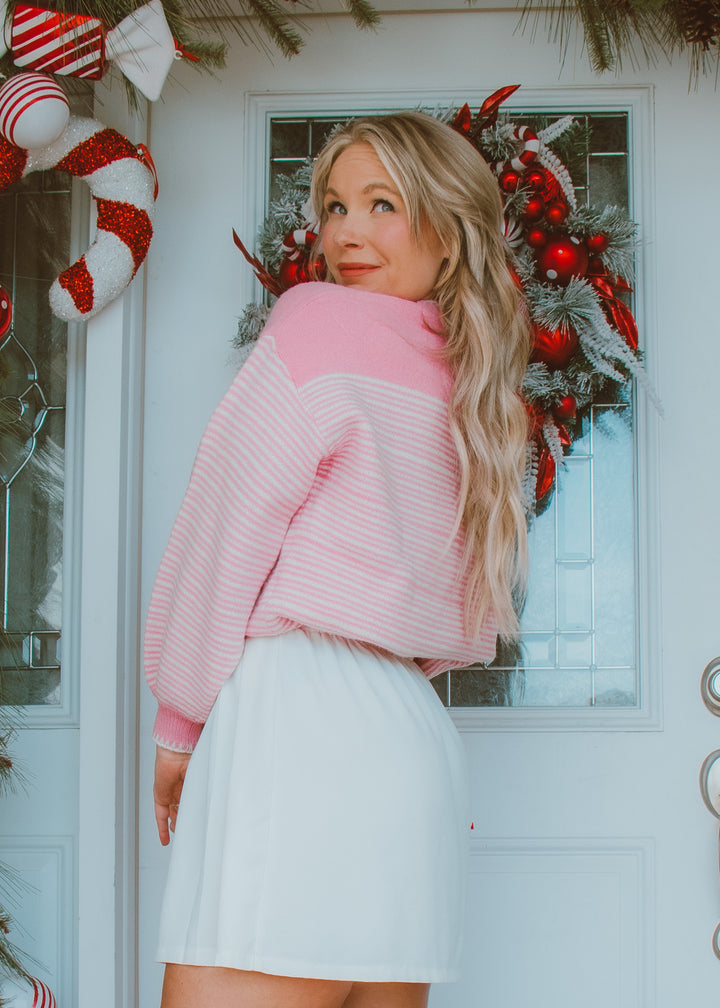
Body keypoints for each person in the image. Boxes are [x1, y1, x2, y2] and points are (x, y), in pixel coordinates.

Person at [145, 110, 530, 1008]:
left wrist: (177, 723)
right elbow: (458, 618)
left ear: (449, 225)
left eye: (382, 204)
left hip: (295, 730)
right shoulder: (480, 389)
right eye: (334, 206)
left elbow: (224, 529)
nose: (345, 233)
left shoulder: (315, 324)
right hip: (410, 741)